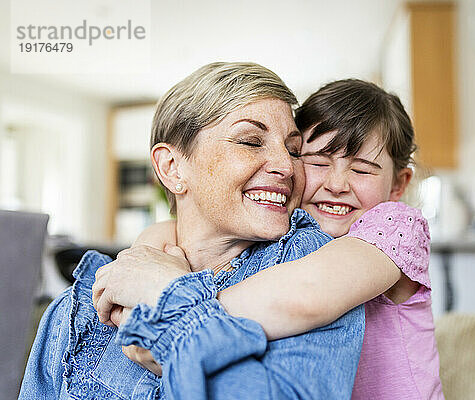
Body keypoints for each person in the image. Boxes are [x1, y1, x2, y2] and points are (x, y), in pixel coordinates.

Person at [19, 62, 366, 400]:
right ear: (171, 168)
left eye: (293, 150)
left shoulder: (318, 273)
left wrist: (172, 296)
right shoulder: (77, 309)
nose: (286, 166)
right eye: (250, 141)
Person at [94, 79, 444, 399]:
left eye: (362, 169)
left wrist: (171, 294)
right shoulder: (291, 227)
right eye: (317, 162)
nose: (337, 184)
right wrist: (141, 258)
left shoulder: (395, 226)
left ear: (398, 184)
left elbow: (308, 294)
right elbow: (171, 231)